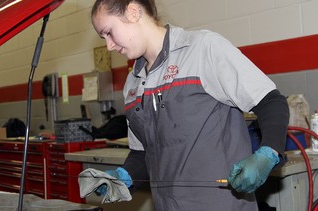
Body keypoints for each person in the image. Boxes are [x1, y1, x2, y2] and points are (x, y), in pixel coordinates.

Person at [88, 0, 289, 210]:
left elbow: (271, 101)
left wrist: (268, 153)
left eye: (109, 32)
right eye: (103, 37)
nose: (108, 46)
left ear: (133, 12)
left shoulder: (203, 49)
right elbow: (144, 153)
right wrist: (125, 176)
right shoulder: (134, 83)